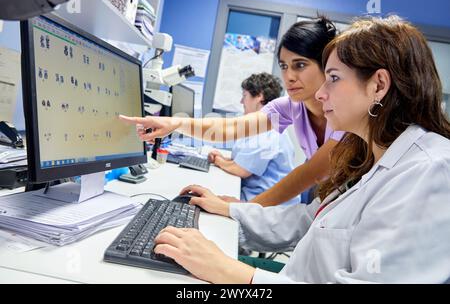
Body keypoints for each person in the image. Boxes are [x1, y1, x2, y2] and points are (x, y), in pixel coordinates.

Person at [151, 16, 450, 283]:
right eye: (284, 66)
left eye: (333, 78)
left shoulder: (429, 170)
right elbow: (307, 219)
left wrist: (235, 274)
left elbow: (308, 175)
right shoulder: (369, 159)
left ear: (378, 85)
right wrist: (231, 209)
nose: (321, 93)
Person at [120, 17, 344, 207]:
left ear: (327, 65)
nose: (289, 76)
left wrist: (241, 208)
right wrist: (175, 123)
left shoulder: (345, 115)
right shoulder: (291, 107)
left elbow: (312, 173)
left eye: (300, 65)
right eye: (284, 66)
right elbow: (231, 128)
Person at [208, 73, 298, 204]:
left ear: (259, 96)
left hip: (269, 210)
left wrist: (218, 161)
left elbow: (241, 170)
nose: (241, 101)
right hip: (255, 198)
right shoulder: (259, 125)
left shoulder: (270, 130)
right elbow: (242, 161)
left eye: (244, 96)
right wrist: (224, 159)